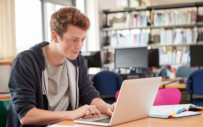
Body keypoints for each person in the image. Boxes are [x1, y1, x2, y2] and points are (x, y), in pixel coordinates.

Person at [7, 7, 115, 127]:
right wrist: (70, 114)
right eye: (73, 40)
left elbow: (88, 94)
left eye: (82, 40)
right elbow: (26, 115)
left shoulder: (77, 59)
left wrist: (108, 108)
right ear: (55, 37)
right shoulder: (26, 61)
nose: (79, 46)